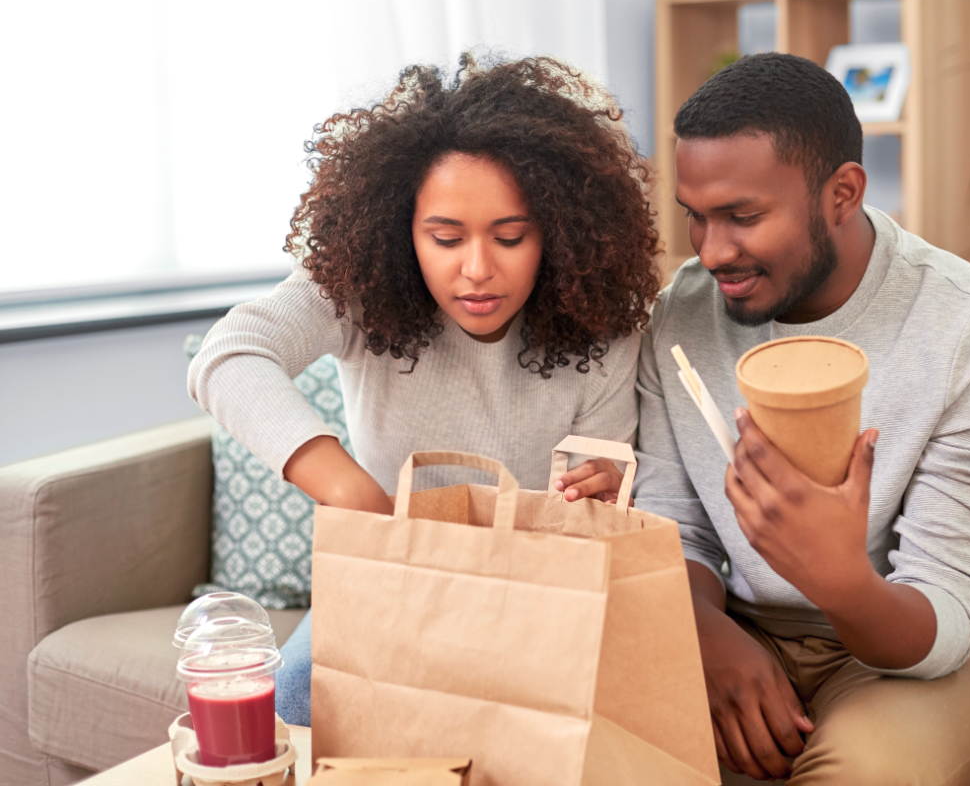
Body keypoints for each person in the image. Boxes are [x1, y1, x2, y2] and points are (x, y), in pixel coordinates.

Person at [188, 55, 660, 726]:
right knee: (298, 695)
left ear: (556, 231)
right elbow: (227, 356)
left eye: (510, 236)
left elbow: (596, 504)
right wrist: (349, 490)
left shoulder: (605, 328)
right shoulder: (359, 292)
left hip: (535, 590)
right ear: (401, 230)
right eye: (444, 237)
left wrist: (605, 487)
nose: (476, 270)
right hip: (390, 580)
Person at [632, 53, 970, 785]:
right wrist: (710, 638)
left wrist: (837, 577)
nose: (710, 250)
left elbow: (946, 622)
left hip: (935, 655)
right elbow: (671, 524)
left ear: (843, 192)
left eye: (743, 216)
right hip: (743, 629)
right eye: (695, 217)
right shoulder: (683, 312)